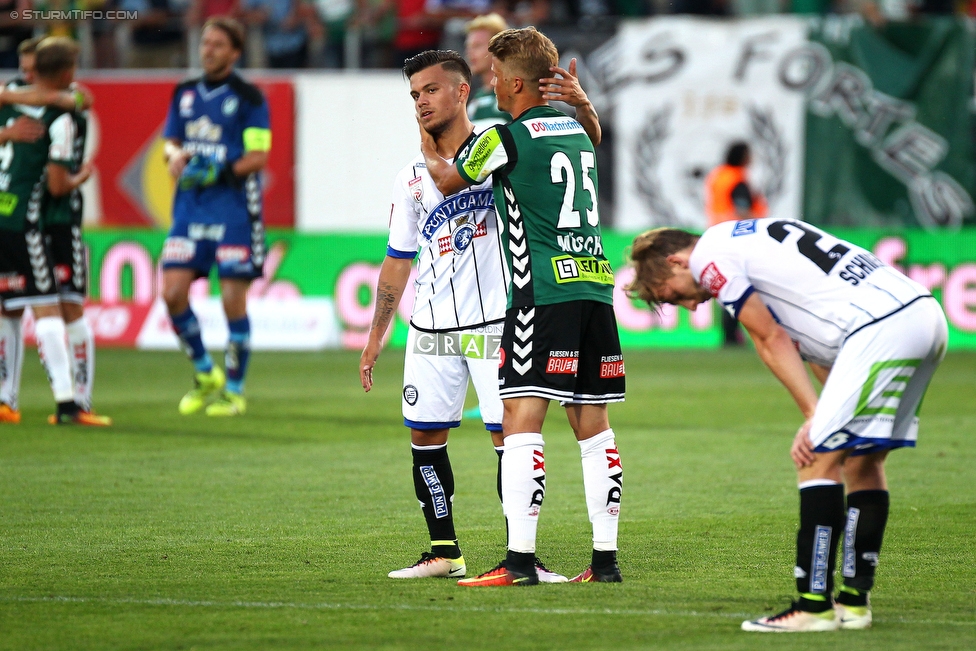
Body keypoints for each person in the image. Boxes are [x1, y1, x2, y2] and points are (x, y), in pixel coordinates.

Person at [626, 218, 947, 631]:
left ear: (675, 261)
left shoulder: (709, 254)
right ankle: (853, 603)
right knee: (862, 460)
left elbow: (768, 338)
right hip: (921, 314)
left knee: (816, 458)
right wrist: (826, 414)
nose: (688, 306)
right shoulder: (752, 243)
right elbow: (815, 348)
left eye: (670, 295)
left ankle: (813, 606)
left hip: (879, 325)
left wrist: (815, 419)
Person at [360, 49, 598, 583]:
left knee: (509, 439)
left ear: (463, 91)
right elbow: (398, 261)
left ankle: (523, 556)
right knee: (425, 436)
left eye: (432, 90)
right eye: (415, 94)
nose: (422, 102)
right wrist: (378, 334)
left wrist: (581, 110)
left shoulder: (502, 146)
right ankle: (444, 550)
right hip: (431, 327)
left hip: (498, 323)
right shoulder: (409, 180)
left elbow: (563, 148)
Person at [420, 27, 624, 587]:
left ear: (513, 81)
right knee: (594, 427)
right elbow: (593, 132)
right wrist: (583, 103)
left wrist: (426, 135)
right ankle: (604, 562)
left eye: (492, 72)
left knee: (519, 423)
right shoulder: (576, 130)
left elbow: (446, 180)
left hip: (542, 296)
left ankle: (518, 562)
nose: (487, 79)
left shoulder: (503, 138)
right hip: (593, 288)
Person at [161, 17, 271, 417]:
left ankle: (235, 391)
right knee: (171, 293)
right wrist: (173, 157)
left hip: (234, 212)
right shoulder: (184, 93)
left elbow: (258, 156)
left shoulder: (249, 97)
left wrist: (220, 171)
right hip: (189, 210)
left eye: (218, 44)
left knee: (231, 302)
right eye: (205, 43)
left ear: (234, 52)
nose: (208, 50)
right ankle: (206, 373)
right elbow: (170, 142)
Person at [0, 37, 110, 427]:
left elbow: (79, 99)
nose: (27, 77)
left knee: (64, 306)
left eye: (33, 70)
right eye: (24, 69)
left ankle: (78, 398)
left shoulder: (58, 101)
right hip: (29, 219)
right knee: (24, 305)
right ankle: (53, 402)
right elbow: (59, 182)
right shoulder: (23, 102)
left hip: (57, 222)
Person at [703, 141, 767, 346]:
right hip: (737, 236)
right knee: (740, 284)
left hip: (718, 233)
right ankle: (735, 333)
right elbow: (742, 209)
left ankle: (729, 333)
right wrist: (759, 225)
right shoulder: (737, 179)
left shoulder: (718, 176)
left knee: (726, 284)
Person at [464, 13, 510, 133]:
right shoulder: (473, 99)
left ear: (498, 49)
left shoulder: (514, 94)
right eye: (468, 47)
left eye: (477, 46)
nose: (470, 53)